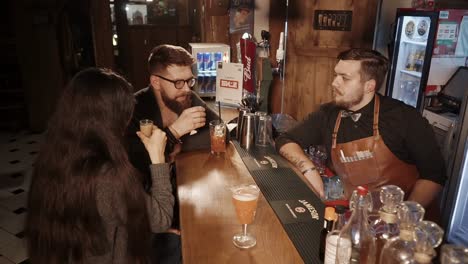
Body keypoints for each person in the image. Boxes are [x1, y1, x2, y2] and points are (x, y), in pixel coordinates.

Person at [26, 68, 174, 263]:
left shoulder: (52, 158)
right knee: (177, 243)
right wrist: (158, 159)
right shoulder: (109, 177)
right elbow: (162, 219)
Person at [276, 48, 445, 209]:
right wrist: (308, 169)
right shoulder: (329, 114)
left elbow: (434, 175)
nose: (334, 83)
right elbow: (286, 140)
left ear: (369, 86)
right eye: (336, 75)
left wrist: (405, 218)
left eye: (345, 78)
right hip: (355, 215)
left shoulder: (404, 118)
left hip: (402, 224)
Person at [126, 44, 220, 263]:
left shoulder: (186, 98)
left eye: (189, 80)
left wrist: (182, 145)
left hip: (182, 190)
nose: (186, 88)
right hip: (144, 206)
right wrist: (175, 132)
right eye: (178, 82)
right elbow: (131, 160)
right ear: (156, 82)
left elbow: (219, 129)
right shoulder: (133, 108)